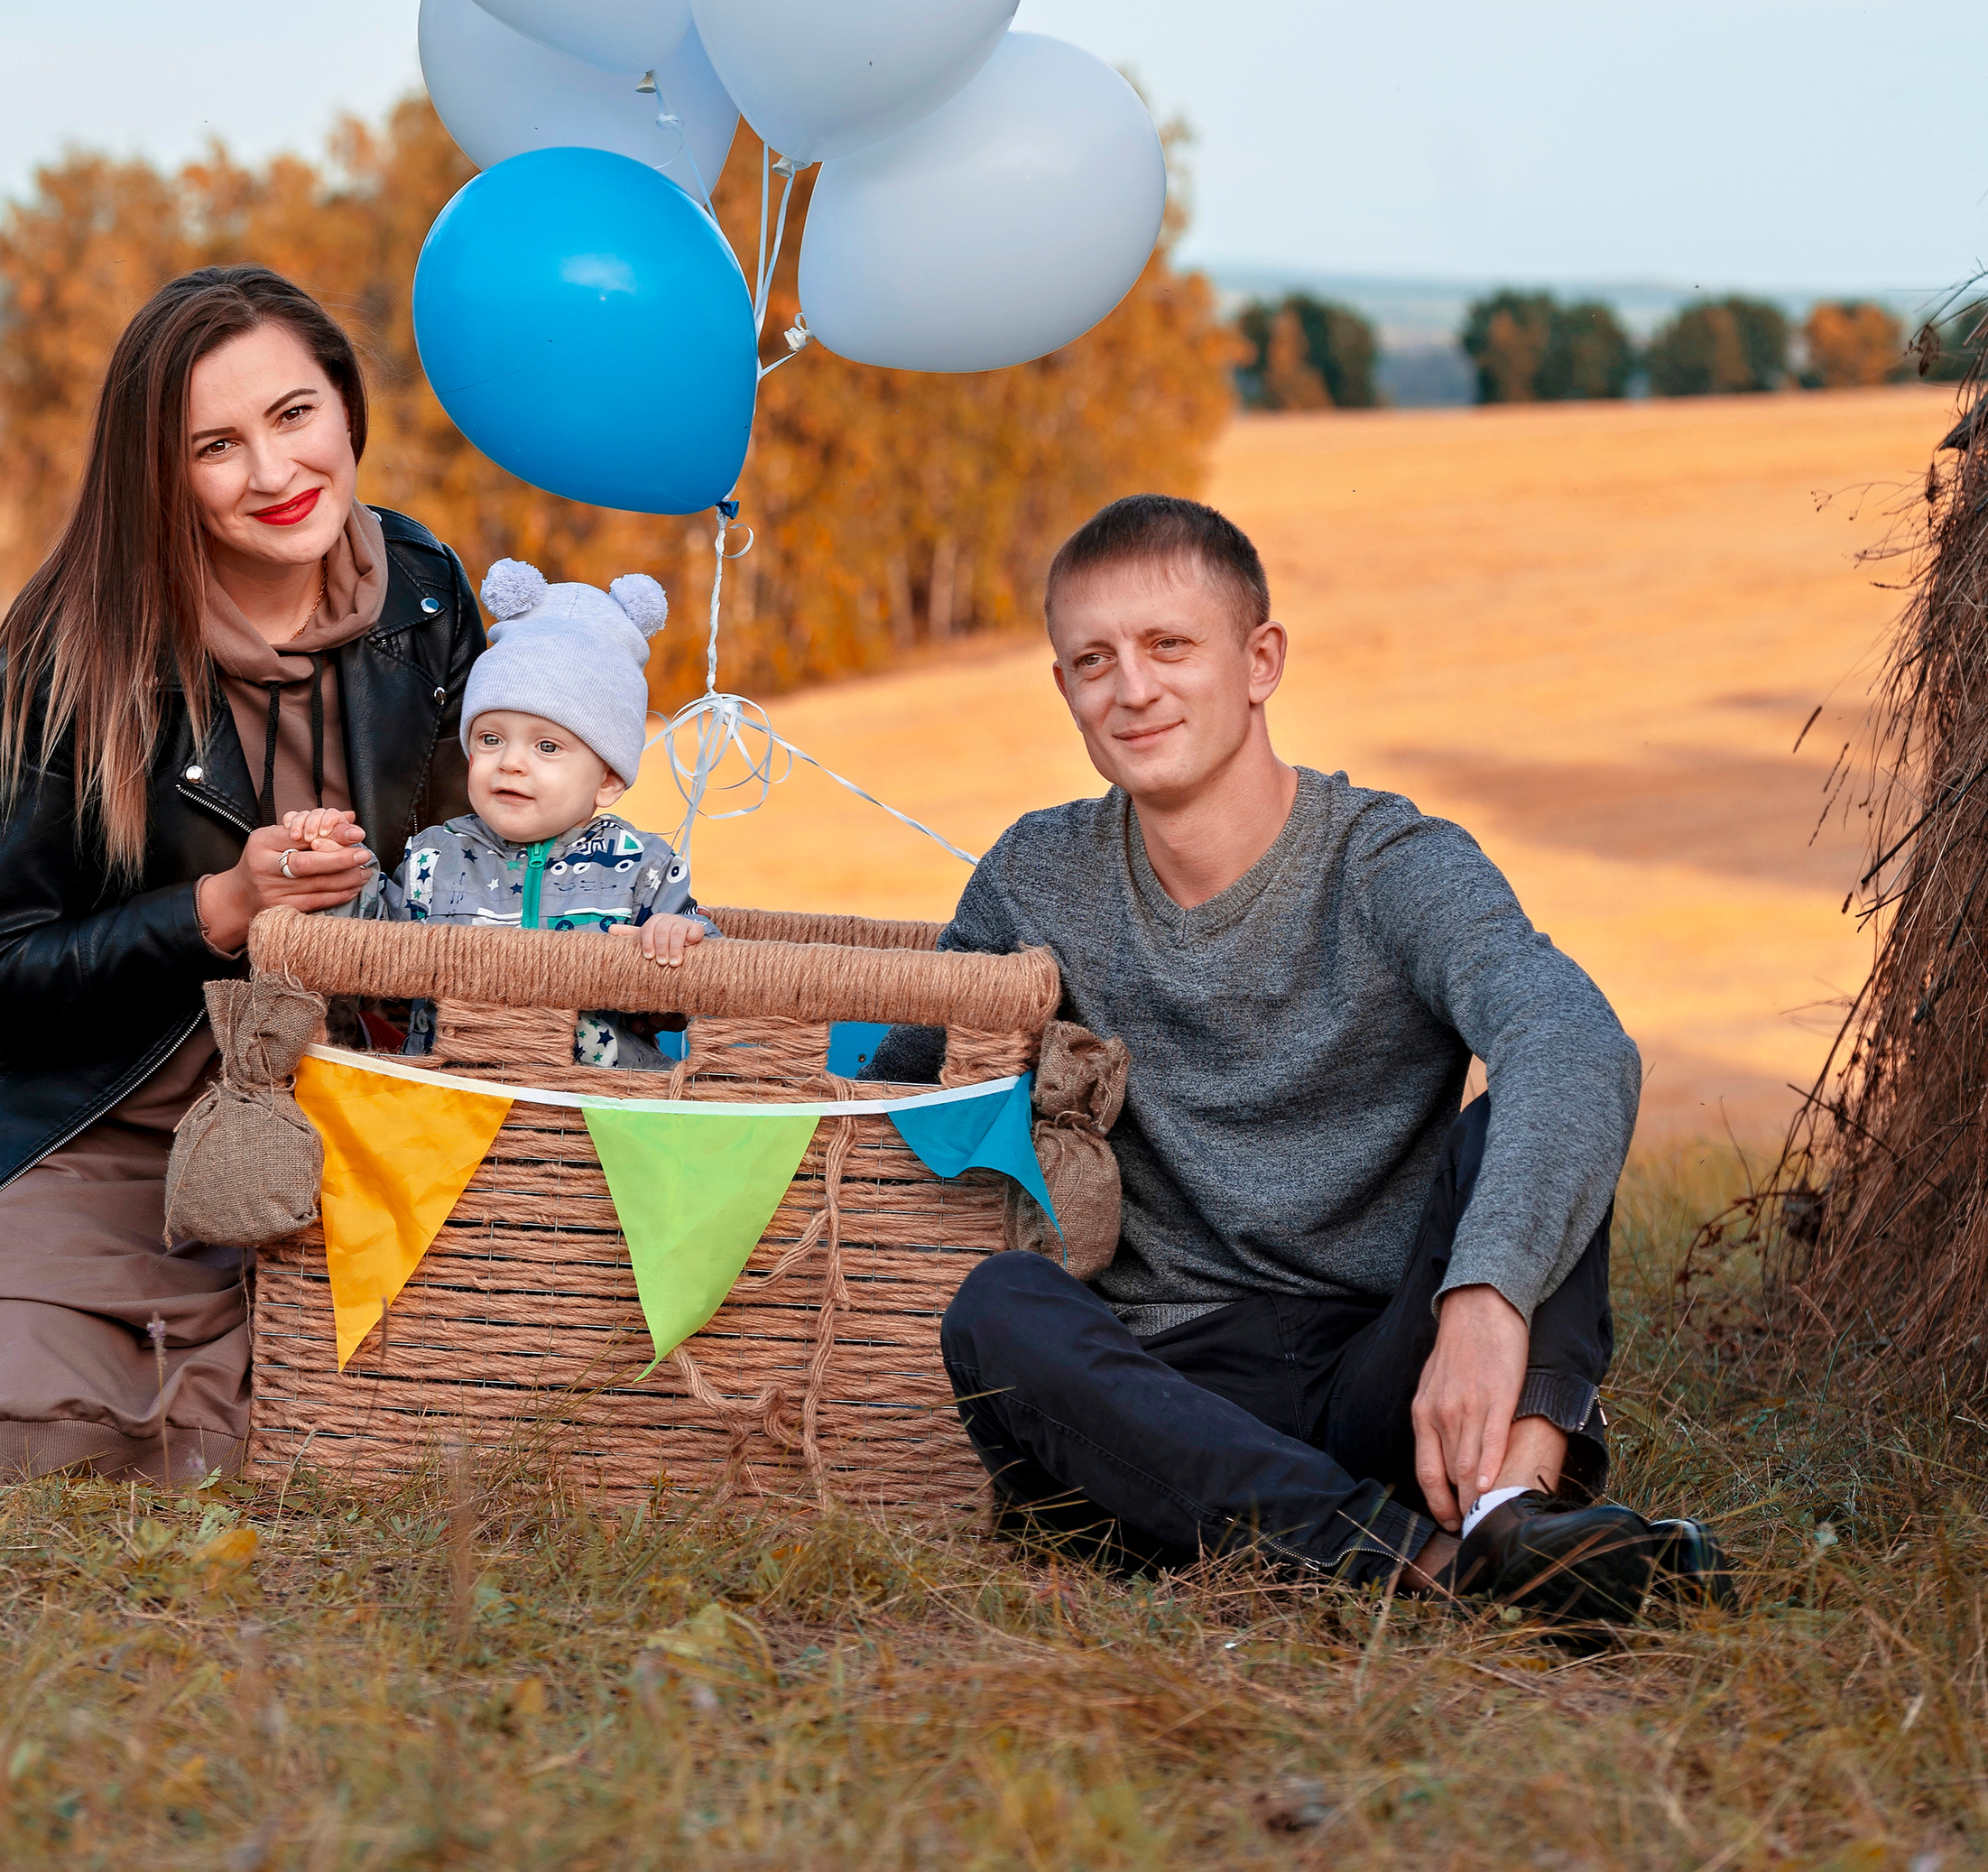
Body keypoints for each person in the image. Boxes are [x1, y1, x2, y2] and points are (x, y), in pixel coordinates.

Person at [875, 491, 1731, 1631]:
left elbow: (1570, 1037)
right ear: (1064, 687)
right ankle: (1430, 1564)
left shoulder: (1389, 863)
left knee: (1539, 1109)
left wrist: (1483, 1298)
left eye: (1169, 644)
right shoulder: (1036, 874)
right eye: (1093, 659)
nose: (1132, 689)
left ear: (1260, 660)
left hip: (1389, 1373)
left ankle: (1511, 1512)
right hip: (1164, 1401)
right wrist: (681, 980)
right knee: (1000, 1310)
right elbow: (887, 1075)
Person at [0, 264, 484, 1483]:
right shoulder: (73, 655)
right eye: (217, 445)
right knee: (5, 1425)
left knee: (428, 1401)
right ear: (161, 474)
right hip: (100, 1122)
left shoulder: (424, 598)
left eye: (294, 413)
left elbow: (487, 873)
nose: (274, 470)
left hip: (349, 1105)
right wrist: (222, 905)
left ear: (347, 406)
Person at [340, 557, 716, 1064]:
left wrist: (680, 940)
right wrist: (347, 869)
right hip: (453, 1092)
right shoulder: (436, 855)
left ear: (607, 779)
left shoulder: (643, 866)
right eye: (490, 739)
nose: (510, 763)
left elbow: (704, 988)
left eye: (547, 747)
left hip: (596, 1101)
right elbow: (373, 948)